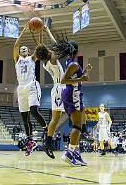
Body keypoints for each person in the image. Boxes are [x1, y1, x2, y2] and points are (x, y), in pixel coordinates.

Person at [50, 38, 92, 166]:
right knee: (77, 126)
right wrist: (82, 78)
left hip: (72, 94)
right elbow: (63, 80)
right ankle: (69, 153)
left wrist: (83, 72)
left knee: (78, 125)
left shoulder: (71, 62)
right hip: (72, 94)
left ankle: (75, 153)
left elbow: (72, 78)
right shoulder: (73, 64)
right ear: (76, 51)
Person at [13, 24, 48, 156]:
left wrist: (40, 32)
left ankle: (46, 129)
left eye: (25, 49)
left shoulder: (32, 58)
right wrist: (23, 30)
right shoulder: (17, 59)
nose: (22, 49)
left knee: (33, 110)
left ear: (28, 52)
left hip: (32, 85)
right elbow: (16, 45)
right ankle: (30, 142)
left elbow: (40, 48)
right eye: (22, 49)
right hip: (21, 88)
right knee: (24, 118)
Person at [34, 26, 67, 159]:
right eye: (48, 50)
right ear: (47, 53)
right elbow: (58, 46)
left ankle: (48, 142)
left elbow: (41, 48)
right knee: (61, 117)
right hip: (60, 89)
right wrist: (48, 31)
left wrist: (41, 33)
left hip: (58, 88)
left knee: (58, 117)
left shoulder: (45, 62)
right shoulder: (53, 58)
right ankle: (49, 143)